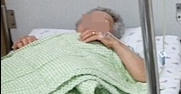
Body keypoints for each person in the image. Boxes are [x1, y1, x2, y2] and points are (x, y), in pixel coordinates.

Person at [11, 6, 146, 82]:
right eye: (89, 19)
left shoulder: (118, 48)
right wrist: (27, 47)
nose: (93, 23)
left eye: (102, 21)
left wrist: (114, 43)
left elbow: (144, 76)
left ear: (113, 31)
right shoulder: (56, 39)